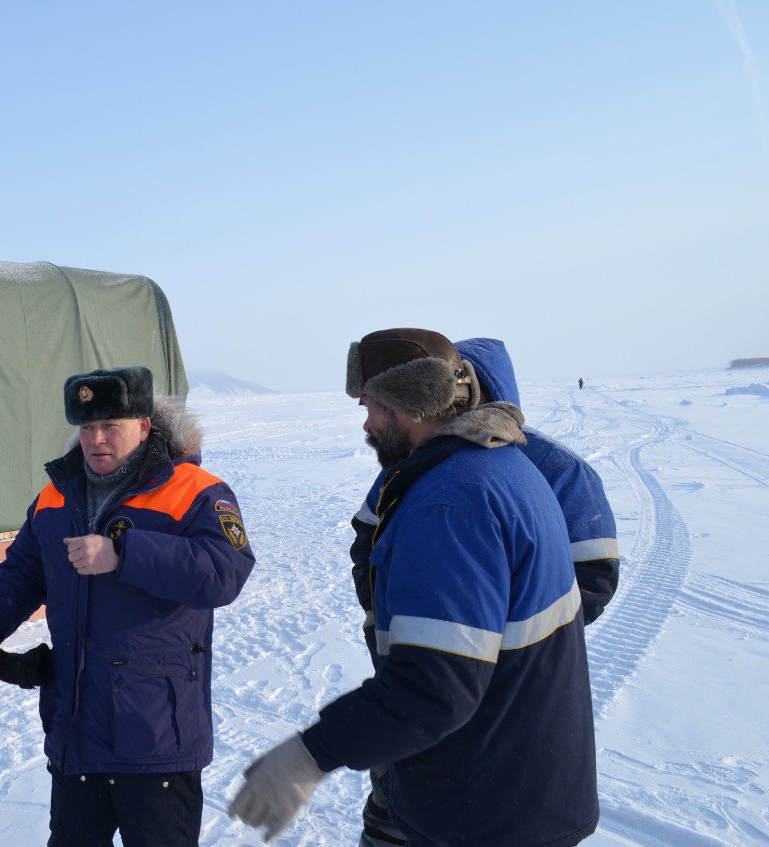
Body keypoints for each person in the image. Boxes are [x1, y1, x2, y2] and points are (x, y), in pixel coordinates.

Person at [229, 329, 597, 847]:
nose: (365, 423)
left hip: (482, 811)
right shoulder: (503, 465)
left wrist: (309, 755)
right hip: (522, 793)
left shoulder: (452, 501)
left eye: (371, 406)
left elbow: (434, 688)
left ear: (408, 404)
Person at [0, 366, 256, 847]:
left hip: (156, 741)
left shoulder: (195, 491)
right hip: (76, 734)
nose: (96, 439)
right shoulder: (56, 495)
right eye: (88, 427)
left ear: (144, 425)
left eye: (111, 425)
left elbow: (225, 572)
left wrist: (126, 554)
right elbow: (24, 573)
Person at [348, 337, 619, 845]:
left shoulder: (550, 470)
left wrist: (511, 637)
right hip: (433, 717)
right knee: (392, 807)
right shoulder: (418, 470)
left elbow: (595, 573)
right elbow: (368, 543)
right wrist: (394, 615)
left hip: (493, 736)